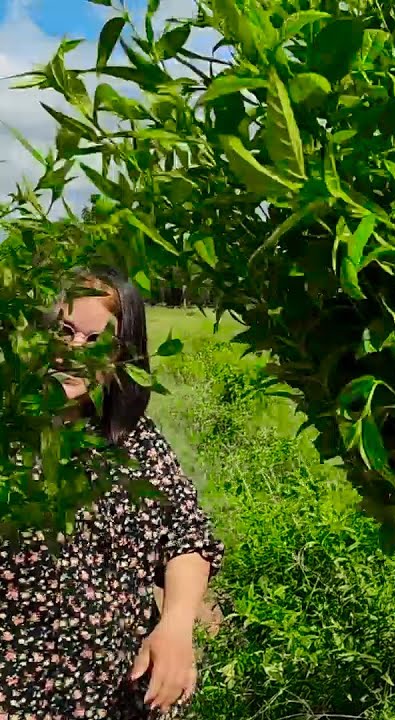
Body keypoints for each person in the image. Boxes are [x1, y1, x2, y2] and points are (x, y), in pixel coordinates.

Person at [0, 266, 225, 718]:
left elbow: (187, 535)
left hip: (117, 702)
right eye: (64, 331)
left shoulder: (131, 440)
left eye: (96, 340)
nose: (73, 351)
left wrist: (177, 625)